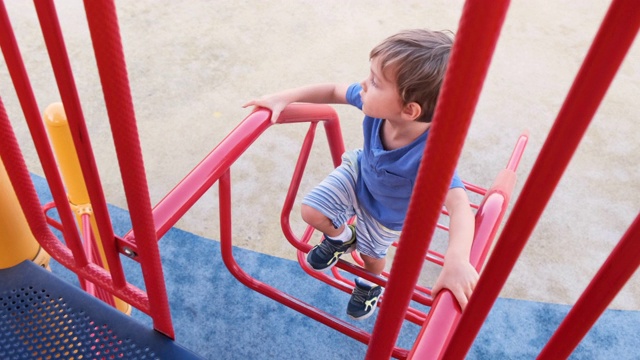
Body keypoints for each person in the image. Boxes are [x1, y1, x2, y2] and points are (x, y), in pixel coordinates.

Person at [243, 29, 478, 320]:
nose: (363, 84)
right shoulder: (376, 104)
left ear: (409, 110)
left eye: (375, 82)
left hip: (386, 212)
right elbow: (332, 91)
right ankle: (341, 238)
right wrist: (285, 97)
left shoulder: (433, 155)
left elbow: (459, 206)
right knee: (311, 211)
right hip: (359, 176)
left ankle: (369, 284)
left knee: (371, 258)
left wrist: (456, 259)